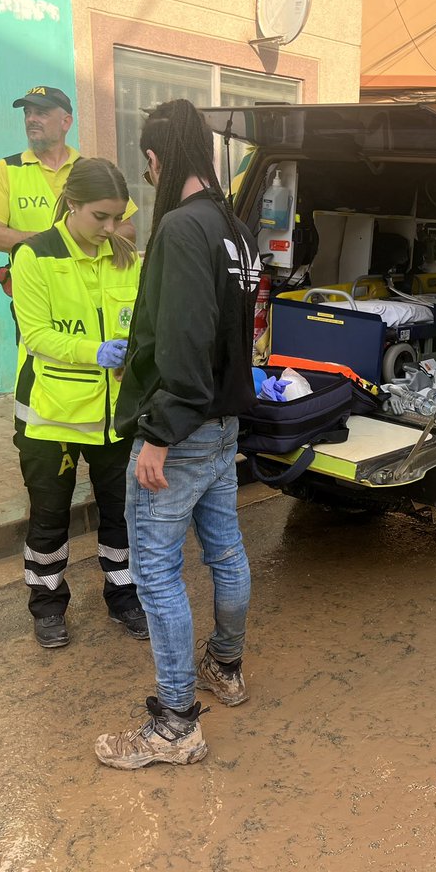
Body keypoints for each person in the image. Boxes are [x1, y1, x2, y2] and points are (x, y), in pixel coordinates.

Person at [95, 99, 261, 770]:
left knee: (157, 571)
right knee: (224, 552)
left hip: (183, 428)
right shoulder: (234, 228)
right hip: (222, 426)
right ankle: (226, 666)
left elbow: (187, 340)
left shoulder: (182, 229)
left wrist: (158, 434)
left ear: (160, 159)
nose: (146, 176)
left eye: (147, 164)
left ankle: (175, 722)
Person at [9, 158, 148, 648]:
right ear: (72, 205)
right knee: (49, 515)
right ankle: (47, 606)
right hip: (54, 418)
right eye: (101, 218)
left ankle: (124, 596)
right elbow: (37, 335)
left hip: (116, 417)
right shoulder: (35, 256)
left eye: (118, 217)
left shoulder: (127, 256)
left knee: (122, 515)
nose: (111, 229)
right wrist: (95, 352)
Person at [0, 86, 136, 316]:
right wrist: (56, 241)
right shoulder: (5, 170)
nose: (31, 119)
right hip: (36, 298)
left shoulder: (91, 171)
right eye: (28, 113)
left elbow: (127, 230)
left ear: (66, 122)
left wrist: (83, 237)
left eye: (42, 113)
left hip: (92, 297)